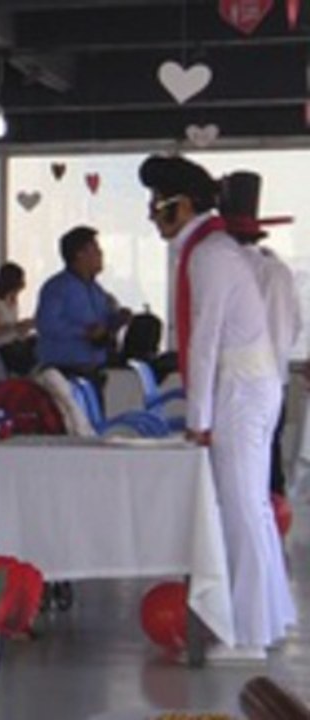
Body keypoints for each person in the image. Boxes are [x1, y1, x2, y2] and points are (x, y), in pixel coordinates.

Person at [140, 154, 295, 660]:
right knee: (251, 509)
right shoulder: (212, 249)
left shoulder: (209, 255)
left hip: (239, 389)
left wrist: (198, 421)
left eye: (157, 205)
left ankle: (249, 634)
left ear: (183, 206)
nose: (151, 215)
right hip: (246, 385)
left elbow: (204, 342)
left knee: (242, 510)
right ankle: (264, 620)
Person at [219, 171, 300, 498]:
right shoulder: (280, 271)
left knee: (239, 475)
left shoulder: (228, 270)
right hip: (275, 381)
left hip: (238, 385)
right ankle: (274, 534)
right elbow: (295, 327)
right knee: (271, 464)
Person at [34, 226, 131, 394]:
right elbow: (46, 324)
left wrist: (117, 319)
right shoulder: (57, 287)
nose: (101, 255)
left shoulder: (96, 290)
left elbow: (103, 323)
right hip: (66, 371)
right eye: (95, 250)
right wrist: (84, 332)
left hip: (93, 370)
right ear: (80, 254)